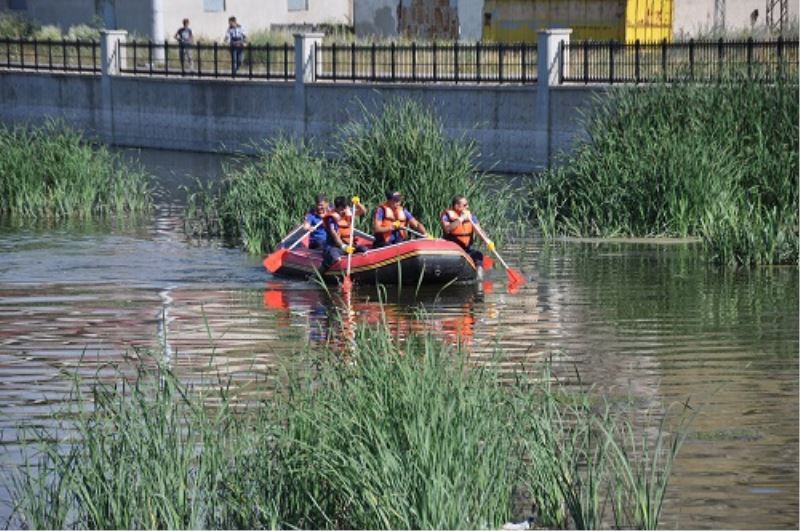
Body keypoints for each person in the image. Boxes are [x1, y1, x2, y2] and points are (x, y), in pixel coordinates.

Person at [440, 194, 493, 280]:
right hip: (452, 249)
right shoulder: (446, 216)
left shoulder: (471, 216)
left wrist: (487, 240)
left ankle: (479, 280)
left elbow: (479, 230)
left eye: (467, 204)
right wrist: (461, 219)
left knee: (478, 256)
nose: (467, 207)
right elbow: (447, 229)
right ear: (457, 206)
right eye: (465, 205)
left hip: (466, 249)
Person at [322, 196, 368, 269]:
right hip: (336, 246)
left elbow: (363, 211)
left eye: (345, 207)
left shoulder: (347, 212)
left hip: (349, 244)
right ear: (337, 207)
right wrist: (343, 246)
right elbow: (334, 234)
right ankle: (323, 269)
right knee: (335, 257)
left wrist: (358, 204)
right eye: (342, 208)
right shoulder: (331, 218)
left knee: (364, 250)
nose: (344, 210)